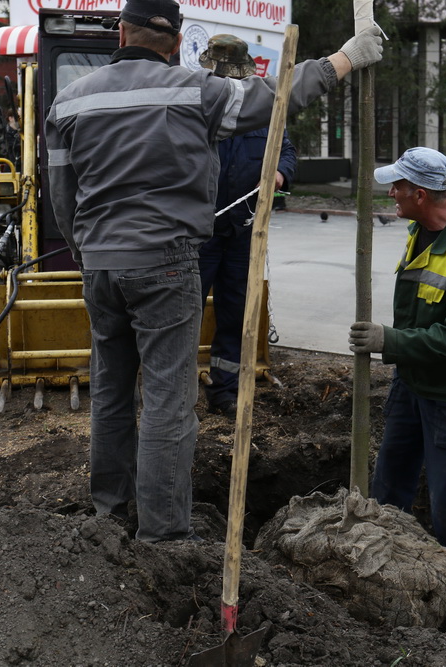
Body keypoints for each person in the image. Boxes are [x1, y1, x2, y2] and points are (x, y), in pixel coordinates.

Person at [45, 0, 382, 543]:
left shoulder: (71, 99)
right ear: (177, 43)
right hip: (165, 263)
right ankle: (162, 535)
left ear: (121, 32)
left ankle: (110, 511)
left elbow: (61, 194)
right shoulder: (195, 91)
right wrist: (343, 59)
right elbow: (276, 99)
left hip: (102, 265)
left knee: (110, 391)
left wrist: (88, 254)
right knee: (167, 400)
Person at [348, 147, 446, 624]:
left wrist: (386, 340)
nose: (389, 192)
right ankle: (377, 559)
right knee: (390, 476)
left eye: (396, 187)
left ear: (421, 193)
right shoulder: (424, 227)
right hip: (413, 381)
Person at [197, 34, 298, 417]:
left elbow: (286, 151)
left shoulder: (263, 109)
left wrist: (279, 175)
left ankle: (224, 391)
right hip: (198, 234)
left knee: (236, 313)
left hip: (242, 233)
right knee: (184, 315)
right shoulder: (198, 106)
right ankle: (174, 394)